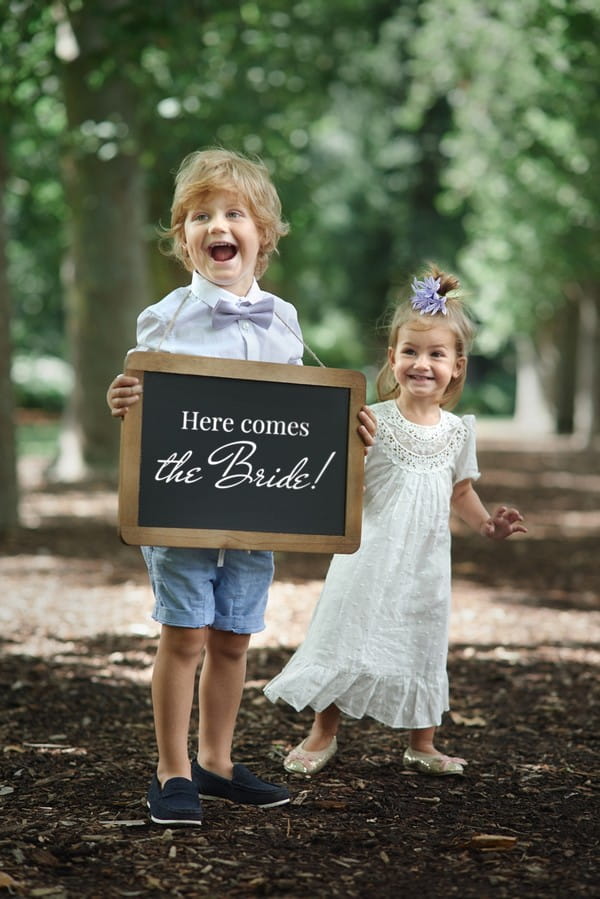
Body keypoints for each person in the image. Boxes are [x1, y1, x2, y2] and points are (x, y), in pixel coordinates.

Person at [106, 147, 376, 826]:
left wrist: (346, 427)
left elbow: (297, 414)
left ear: (263, 237)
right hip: (182, 507)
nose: (217, 224)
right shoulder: (162, 319)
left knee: (233, 636)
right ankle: (171, 770)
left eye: (233, 213)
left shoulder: (283, 321)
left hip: (259, 511)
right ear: (183, 238)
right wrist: (124, 397)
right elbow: (147, 405)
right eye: (201, 215)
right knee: (185, 634)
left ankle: (217, 762)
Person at [264, 265, 527, 778]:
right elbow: (339, 478)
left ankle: (421, 743)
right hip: (370, 551)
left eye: (436, 354)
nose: (421, 363)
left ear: (457, 366)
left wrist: (488, 526)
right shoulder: (373, 419)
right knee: (349, 629)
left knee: (421, 636)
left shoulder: (457, 432)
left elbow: (461, 491)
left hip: (426, 559)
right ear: (392, 358)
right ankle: (323, 732)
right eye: (410, 352)